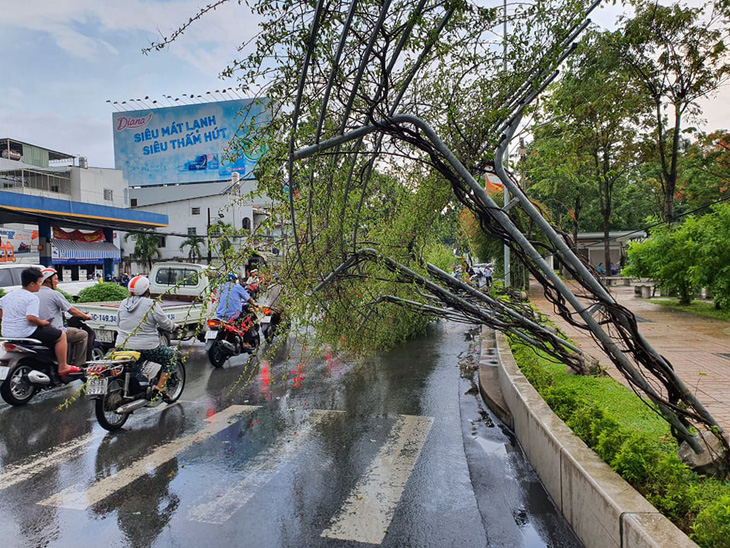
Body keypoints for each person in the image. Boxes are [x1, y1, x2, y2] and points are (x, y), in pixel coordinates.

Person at [0, 267, 81, 376]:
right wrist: (42, 323)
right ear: (32, 284)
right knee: (61, 335)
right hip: (26, 332)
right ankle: (63, 366)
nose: (40, 285)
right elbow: (31, 318)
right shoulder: (32, 297)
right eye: (39, 282)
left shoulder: (9, 295)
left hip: (8, 333)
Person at [115, 275, 177, 399]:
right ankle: (159, 388)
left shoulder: (123, 303)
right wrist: (174, 326)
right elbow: (165, 322)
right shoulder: (151, 303)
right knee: (170, 356)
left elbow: (118, 322)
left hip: (122, 346)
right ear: (147, 290)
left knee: (135, 363)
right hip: (147, 347)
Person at [37, 268, 92, 366]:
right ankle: (77, 366)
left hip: (35, 332)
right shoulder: (54, 294)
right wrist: (86, 316)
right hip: (55, 331)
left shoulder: (32, 294)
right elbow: (72, 310)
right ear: (48, 280)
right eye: (56, 279)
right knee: (83, 335)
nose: (57, 282)